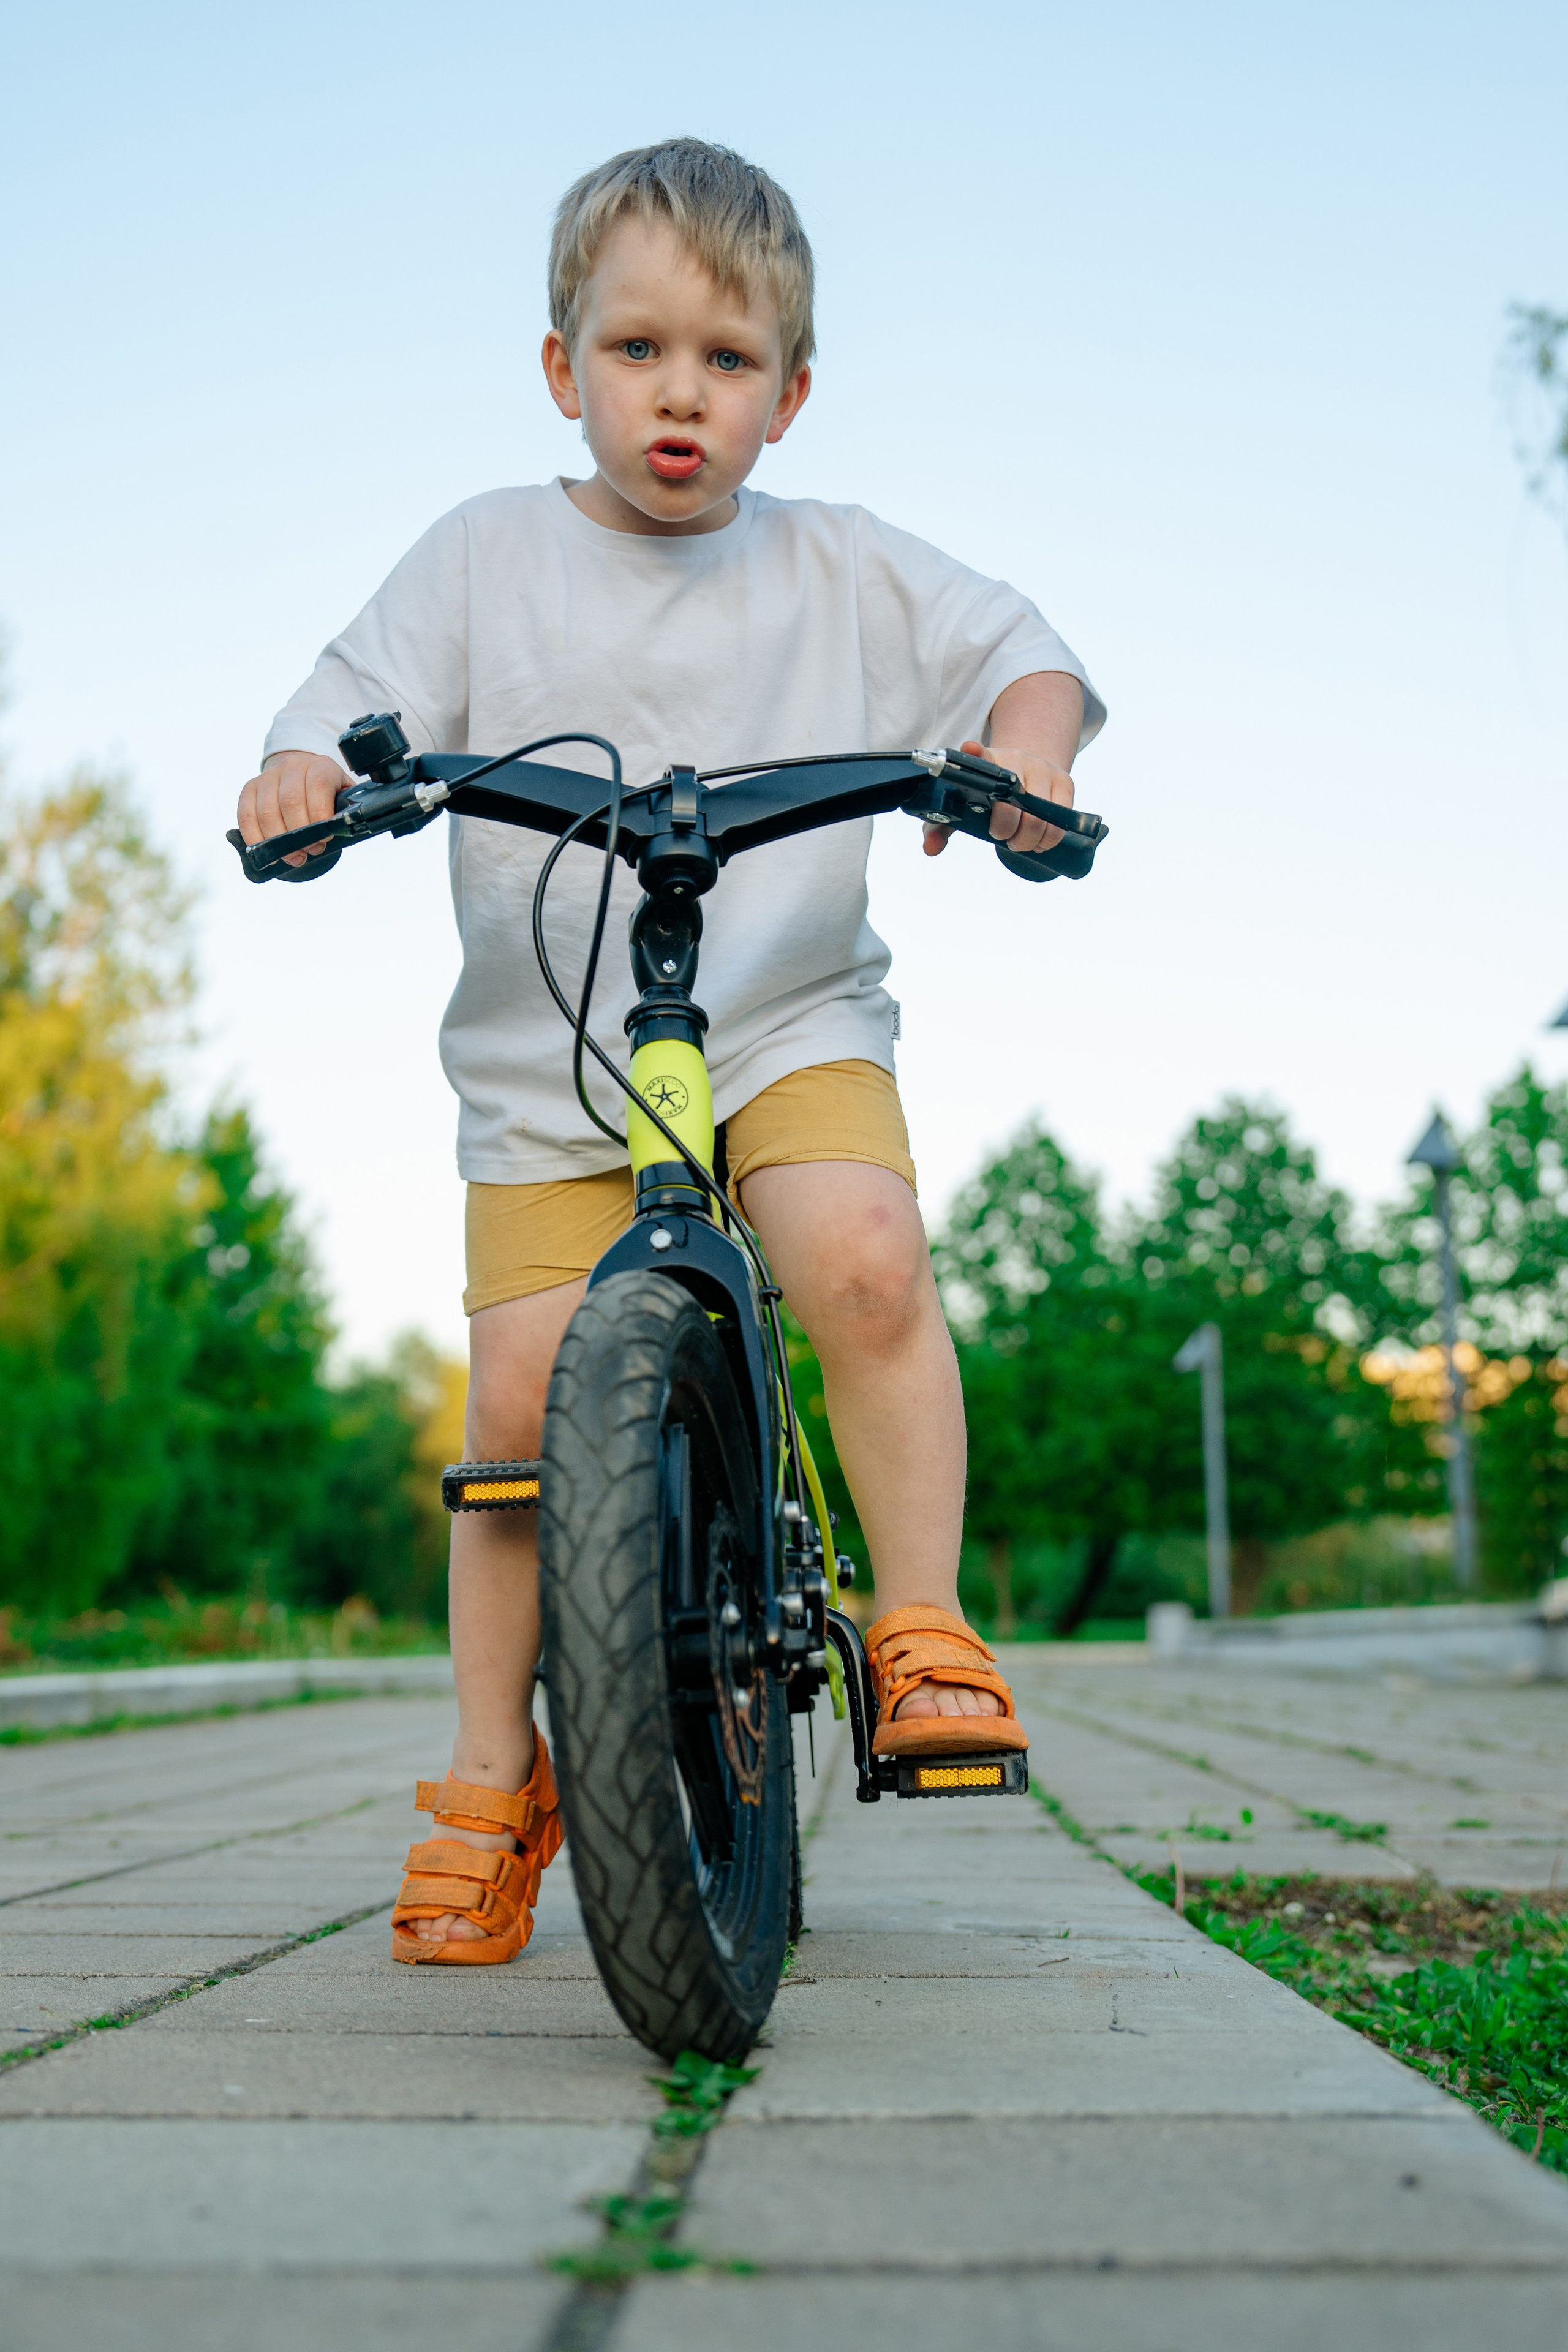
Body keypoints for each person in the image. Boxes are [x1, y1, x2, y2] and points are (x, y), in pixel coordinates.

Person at [238, 138, 1105, 1964]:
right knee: (512, 1419)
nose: (681, 393)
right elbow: (340, 702)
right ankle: (497, 1772)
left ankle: (921, 1626)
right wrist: (303, 772)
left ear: (791, 394)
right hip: (551, 1069)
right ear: (565, 369)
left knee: (862, 1258)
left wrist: (1024, 755)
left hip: (785, 1016)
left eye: (727, 358)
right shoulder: (484, 555)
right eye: (637, 350)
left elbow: (1023, 656)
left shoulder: (840, 566)